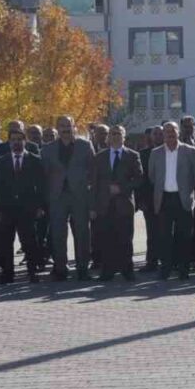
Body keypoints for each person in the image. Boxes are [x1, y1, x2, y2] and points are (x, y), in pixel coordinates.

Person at [41, 116, 95, 282]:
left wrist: (89, 192)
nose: (65, 129)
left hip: (79, 196)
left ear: (73, 127)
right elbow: (44, 175)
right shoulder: (48, 149)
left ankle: (83, 269)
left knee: (82, 233)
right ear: (57, 128)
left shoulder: (85, 145)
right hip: (57, 197)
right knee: (58, 234)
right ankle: (60, 269)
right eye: (62, 126)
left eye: (68, 125)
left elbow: (93, 171)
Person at [0, 125, 46, 284]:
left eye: (19, 139)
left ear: (25, 141)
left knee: (29, 241)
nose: (16, 142)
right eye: (13, 140)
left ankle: (32, 271)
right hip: (7, 208)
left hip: (27, 208)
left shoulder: (35, 160)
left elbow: (41, 186)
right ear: (9, 142)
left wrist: (40, 206)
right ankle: (7, 273)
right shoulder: (2, 162)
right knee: (5, 242)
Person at [148, 121, 195, 279]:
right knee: (164, 236)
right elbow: (152, 176)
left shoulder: (190, 151)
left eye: (173, 130)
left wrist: (186, 190)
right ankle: (165, 269)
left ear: (179, 132)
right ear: (163, 134)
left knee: (184, 236)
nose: (170, 133)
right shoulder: (155, 153)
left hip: (182, 199)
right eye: (167, 131)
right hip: (163, 199)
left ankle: (183, 270)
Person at [90, 125, 142, 282]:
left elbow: (139, 179)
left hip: (124, 204)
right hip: (104, 205)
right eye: (112, 134)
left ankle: (127, 271)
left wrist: (121, 188)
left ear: (124, 137)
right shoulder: (100, 157)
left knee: (125, 239)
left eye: (119, 134)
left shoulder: (132, 155)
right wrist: (93, 207)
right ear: (108, 137)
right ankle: (107, 271)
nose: (115, 136)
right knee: (106, 239)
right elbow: (94, 182)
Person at [136, 126, 163, 272]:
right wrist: (140, 200)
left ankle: (167, 260)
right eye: (155, 134)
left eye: (161, 134)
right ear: (151, 136)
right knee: (152, 232)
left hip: (167, 198)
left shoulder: (170, 151)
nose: (158, 136)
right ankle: (151, 262)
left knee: (166, 231)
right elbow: (140, 180)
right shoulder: (143, 154)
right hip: (149, 200)